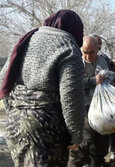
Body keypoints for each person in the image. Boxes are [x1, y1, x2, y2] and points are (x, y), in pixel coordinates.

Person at [0, 10, 85, 166]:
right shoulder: (68, 48)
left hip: (14, 124)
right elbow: (71, 96)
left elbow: (3, 80)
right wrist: (76, 134)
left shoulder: (26, 40)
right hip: (46, 130)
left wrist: (13, 110)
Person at [68, 36, 111, 167]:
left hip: (102, 108)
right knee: (82, 146)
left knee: (101, 144)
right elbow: (71, 84)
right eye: (84, 52)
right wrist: (93, 80)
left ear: (98, 49)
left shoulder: (103, 61)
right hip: (84, 110)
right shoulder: (76, 62)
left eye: (91, 52)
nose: (87, 56)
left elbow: (109, 77)